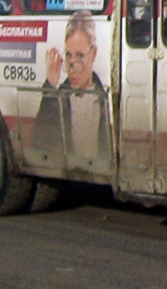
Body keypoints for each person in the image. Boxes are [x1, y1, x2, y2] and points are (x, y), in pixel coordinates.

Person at [31, 11, 111, 173]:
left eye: (80, 55)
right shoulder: (58, 95)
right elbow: (39, 143)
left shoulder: (106, 95)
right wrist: (50, 87)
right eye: (68, 56)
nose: (72, 66)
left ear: (93, 54)